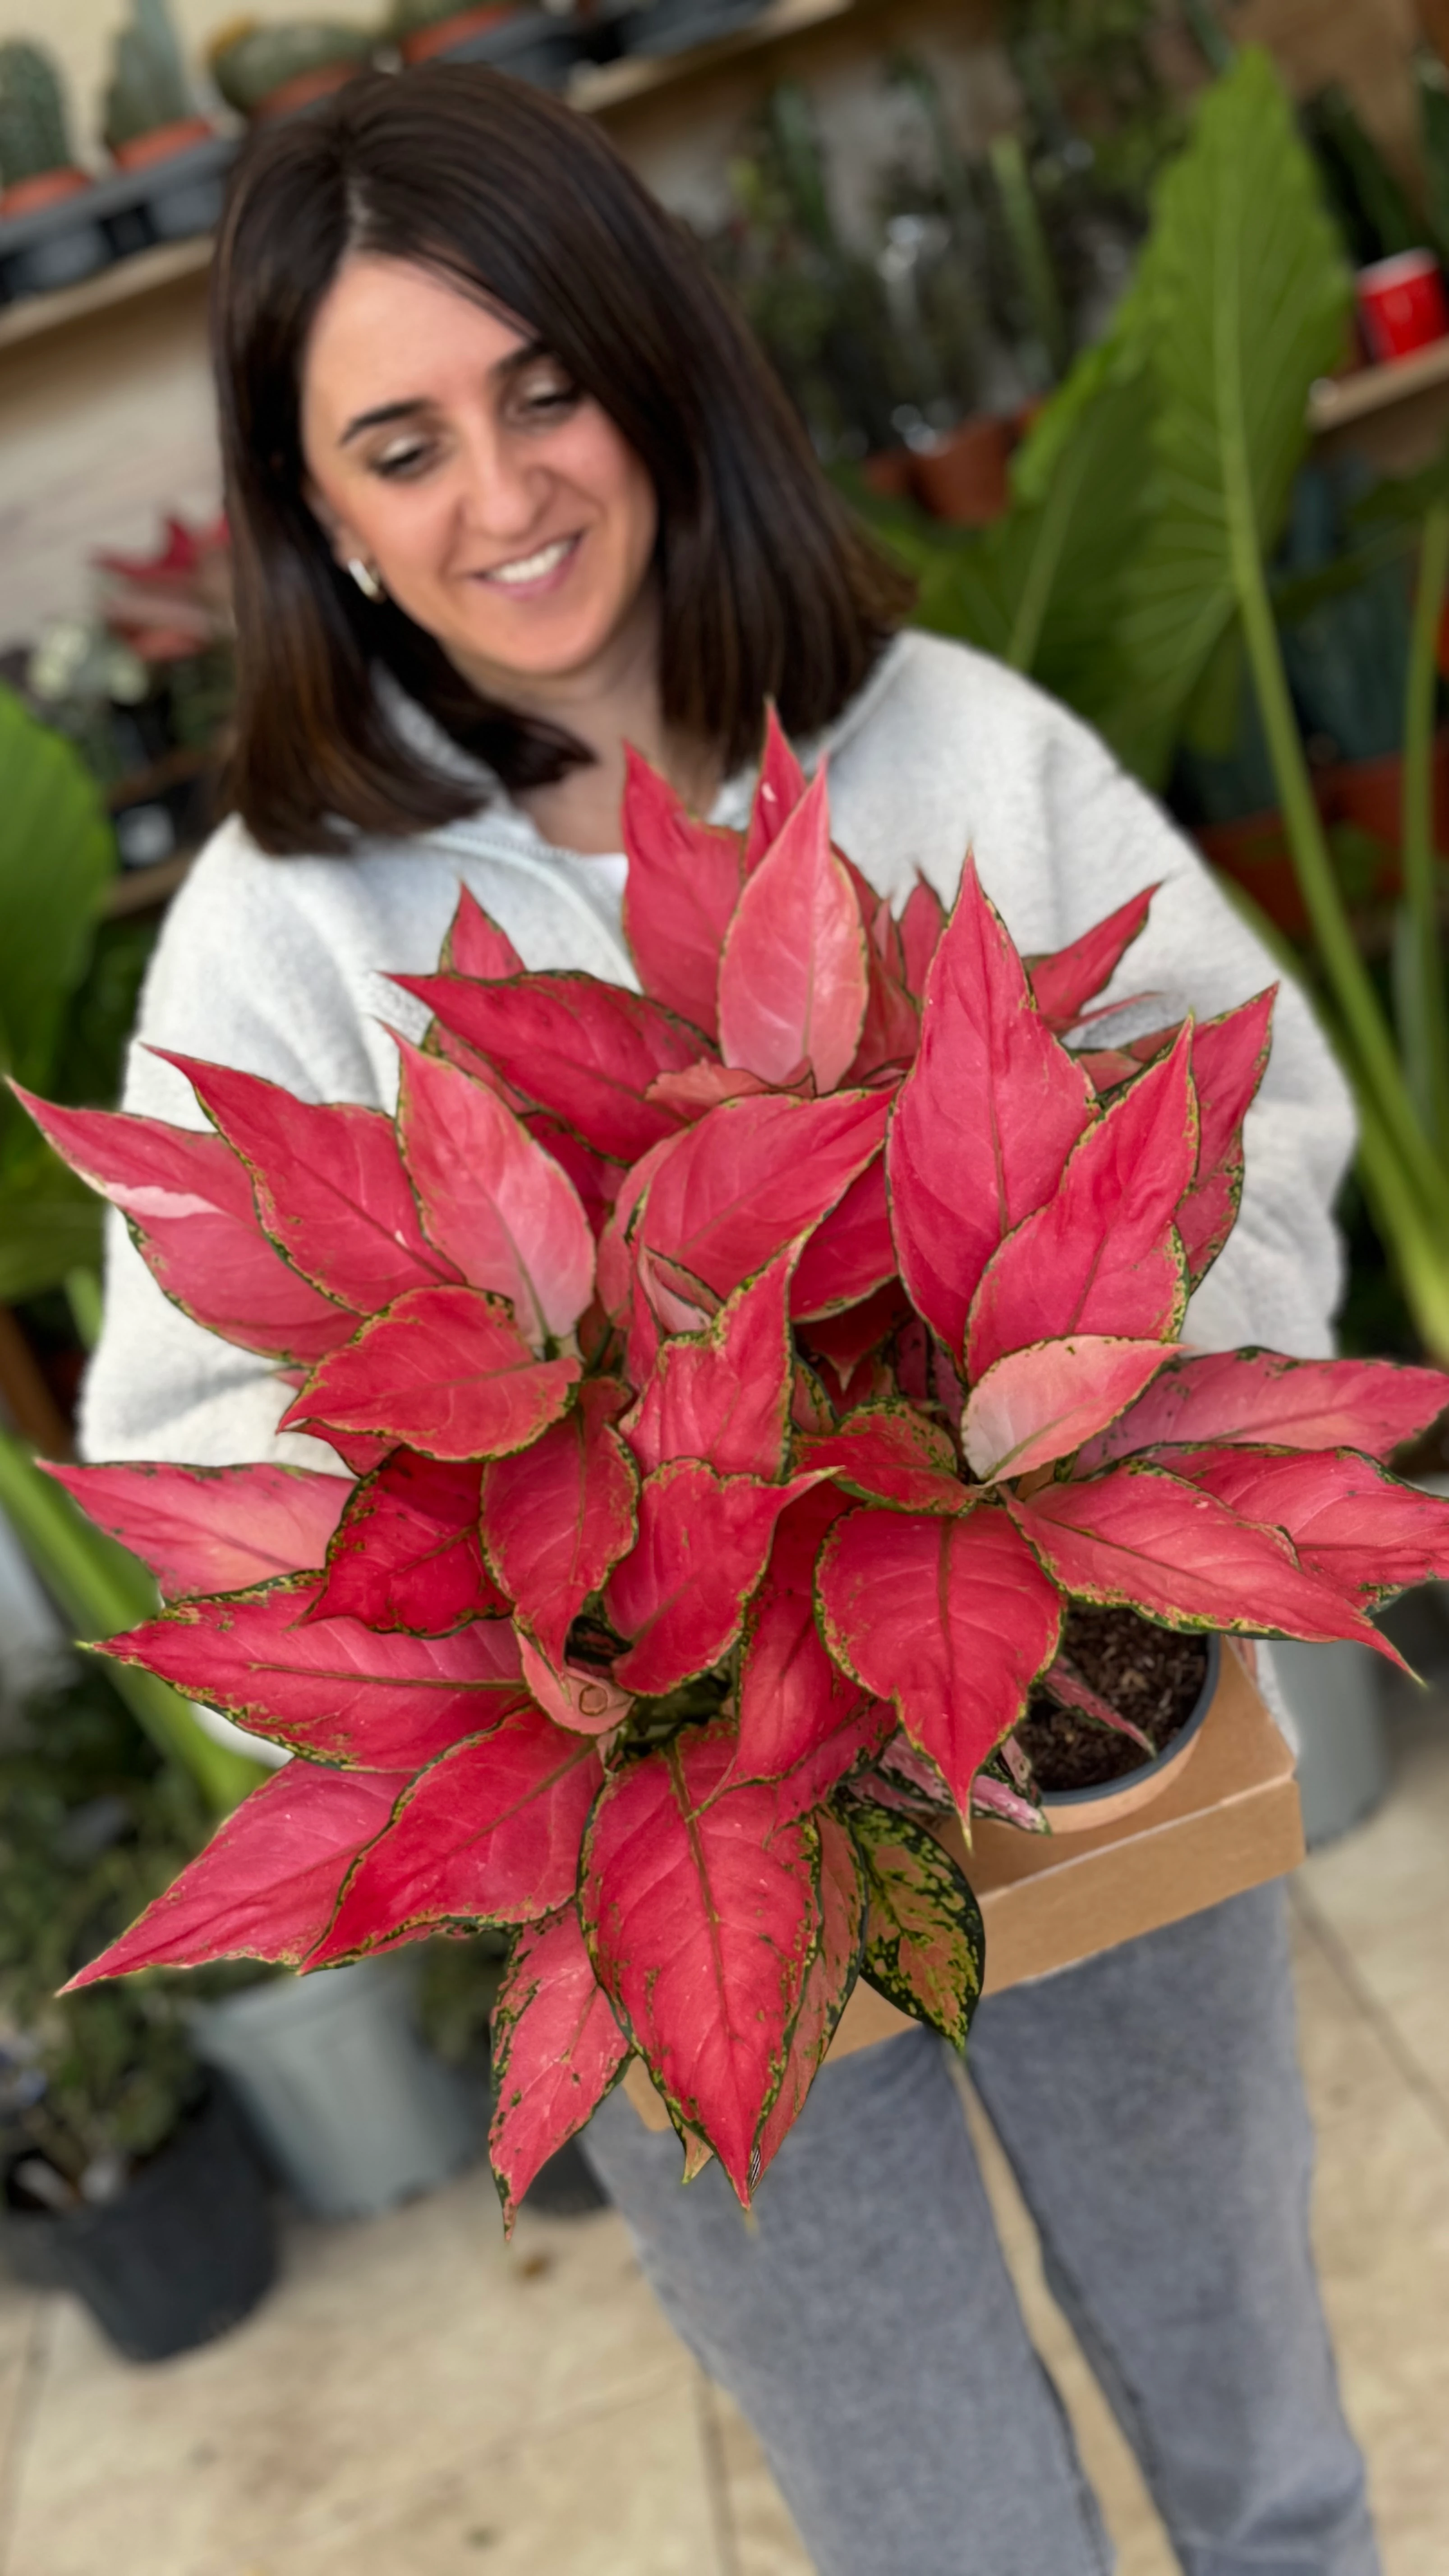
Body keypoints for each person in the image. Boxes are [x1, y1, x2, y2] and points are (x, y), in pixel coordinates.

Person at [82, 67, 1379, 2576]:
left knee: (1270, 2471)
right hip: (671, 1858)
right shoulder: (285, 928)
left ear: (653, 369)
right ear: (319, 517)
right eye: (402, 439)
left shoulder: (952, 755)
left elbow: (1266, 1143)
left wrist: (1055, 1404)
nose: (505, 489)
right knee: (942, 2535)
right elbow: (194, 1435)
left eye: (543, 383)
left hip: (1075, 1750)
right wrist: (549, 1608)